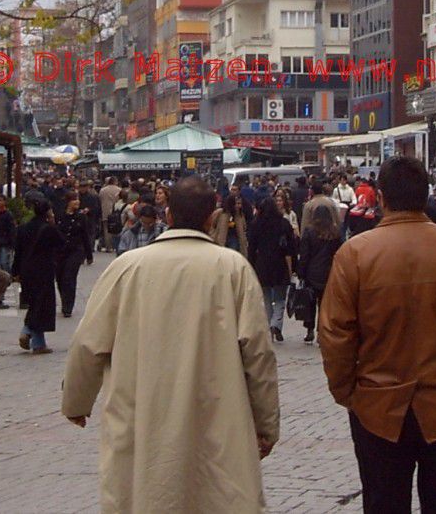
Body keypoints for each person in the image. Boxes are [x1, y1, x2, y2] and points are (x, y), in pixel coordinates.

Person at [61, 176, 280, 514]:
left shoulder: (127, 267)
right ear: (212, 217)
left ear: (169, 213)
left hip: (141, 418)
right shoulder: (232, 269)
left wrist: (76, 401)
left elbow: (89, 343)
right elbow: (258, 355)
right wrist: (266, 425)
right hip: (217, 421)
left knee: (143, 495)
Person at [320, 156, 436, 513]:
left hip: (378, 406)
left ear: (381, 197)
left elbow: (335, 334)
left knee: (384, 503)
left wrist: (348, 393)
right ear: (427, 196)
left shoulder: (355, 253)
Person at [13, 193, 66, 354]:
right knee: (41, 305)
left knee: (35, 303)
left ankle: (39, 343)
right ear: (48, 213)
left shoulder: (23, 228)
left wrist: (15, 271)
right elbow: (62, 244)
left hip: (26, 271)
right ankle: (27, 331)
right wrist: (54, 224)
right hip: (44, 271)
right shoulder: (49, 229)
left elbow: (18, 252)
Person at [247, 197, 296, 343]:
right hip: (279, 263)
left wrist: (251, 264)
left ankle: (268, 326)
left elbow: (252, 247)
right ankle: (276, 323)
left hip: (262, 264)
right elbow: (291, 247)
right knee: (280, 298)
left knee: (266, 298)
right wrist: (293, 267)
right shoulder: (283, 224)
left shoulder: (256, 224)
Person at [296, 206, 342, 345]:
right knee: (324, 305)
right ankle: (321, 332)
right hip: (328, 272)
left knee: (310, 302)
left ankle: (309, 329)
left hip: (312, 272)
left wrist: (301, 272)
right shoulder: (335, 232)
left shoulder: (309, 232)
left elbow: (304, 255)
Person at [55, 190, 92, 317]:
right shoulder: (59, 216)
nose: (77, 201)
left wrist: (89, 254)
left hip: (76, 251)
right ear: (68, 202)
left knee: (69, 277)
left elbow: (85, 236)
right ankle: (64, 299)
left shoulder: (81, 217)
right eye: (74, 199)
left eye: (78, 199)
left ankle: (68, 306)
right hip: (60, 251)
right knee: (59, 277)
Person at [212, 189, 250, 257]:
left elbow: (244, 227)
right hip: (221, 240)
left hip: (235, 240)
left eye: (240, 204)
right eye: (237, 203)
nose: (239, 206)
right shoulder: (221, 213)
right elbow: (212, 224)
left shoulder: (240, 215)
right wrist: (214, 235)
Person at [98, 177, 122, 253]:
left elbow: (100, 199)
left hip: (105, 211)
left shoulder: (102, 190)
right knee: (117, 228)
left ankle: (109, 247)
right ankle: (116, 245)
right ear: (115, 182)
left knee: (106, 229)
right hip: (116, 211)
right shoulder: (119, 190)